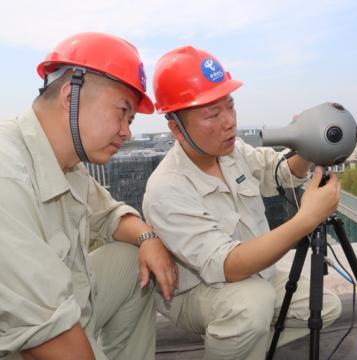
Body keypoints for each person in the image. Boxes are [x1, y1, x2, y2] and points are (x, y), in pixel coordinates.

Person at [143, 45, 342, 359]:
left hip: (256, 275)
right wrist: (305, 219)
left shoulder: (231, 150)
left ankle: (243, 350)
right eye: (213, 114)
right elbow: (227, 265)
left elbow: (278, 173)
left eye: (230, 107)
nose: (229, 122)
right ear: (176, 128)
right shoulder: (167, 187)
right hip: (197, 291)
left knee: (327, 306)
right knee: (253, 303)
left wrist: (306, 146)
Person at [0, 32, 179, 360]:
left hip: (70, 312)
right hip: (28, 341)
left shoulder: (66, 163)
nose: (126, 132)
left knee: (131, 262)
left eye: (130, 120)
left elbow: (110, 214)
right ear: (71, 96)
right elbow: (49, 336)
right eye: (122, 112)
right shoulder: (8, 175)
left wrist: (148, 237)